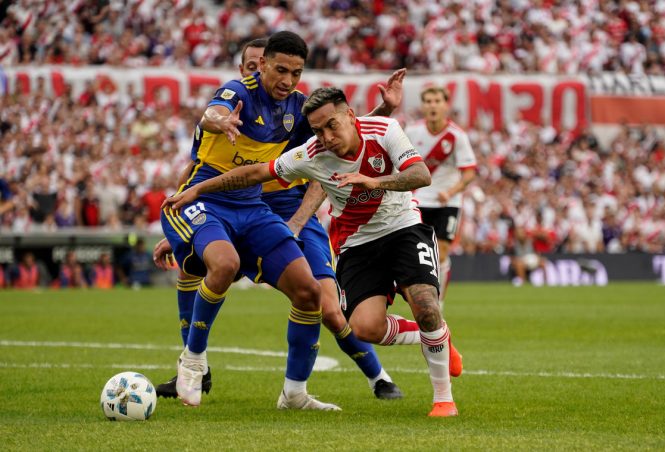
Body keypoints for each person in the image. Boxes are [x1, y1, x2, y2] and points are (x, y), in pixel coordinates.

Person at [163, 87, 464, 417]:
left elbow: (421, 174)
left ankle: (442, 400)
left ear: (350, 115)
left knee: (424, 303)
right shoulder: (311, 153)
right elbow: (252, 174)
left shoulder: (385, 129)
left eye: (331, 126)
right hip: (357, 243)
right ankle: (433, 336)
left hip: (404, 226)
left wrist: (375, 182)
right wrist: (196, 190)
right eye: (318, 130)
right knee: (364, 328)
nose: (326, 136)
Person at [154, 34, 405, 402]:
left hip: (283, 206)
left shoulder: (299, 111)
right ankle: (193, 366)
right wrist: (181, 230)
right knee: (209, 265)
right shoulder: (235, 97)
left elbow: (344, 135)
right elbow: (209, 125)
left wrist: (384, 112)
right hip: (225, 203)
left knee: (324, 304)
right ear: (252, 68)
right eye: (270, 68)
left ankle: (371, 378)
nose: (285, 79)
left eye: (295, 72)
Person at [405, 86, 476, 311]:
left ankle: (439, 302)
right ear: (423, 105)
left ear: (445, 105)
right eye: (428, 101)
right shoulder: (413, 131)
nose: (432, 105)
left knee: (442, 251)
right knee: (419, 252)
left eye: (437, 101)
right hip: (418, 201)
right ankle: (421, 297)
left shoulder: (457, 136)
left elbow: (469, 173)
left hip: (447, 203)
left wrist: (451, 192)